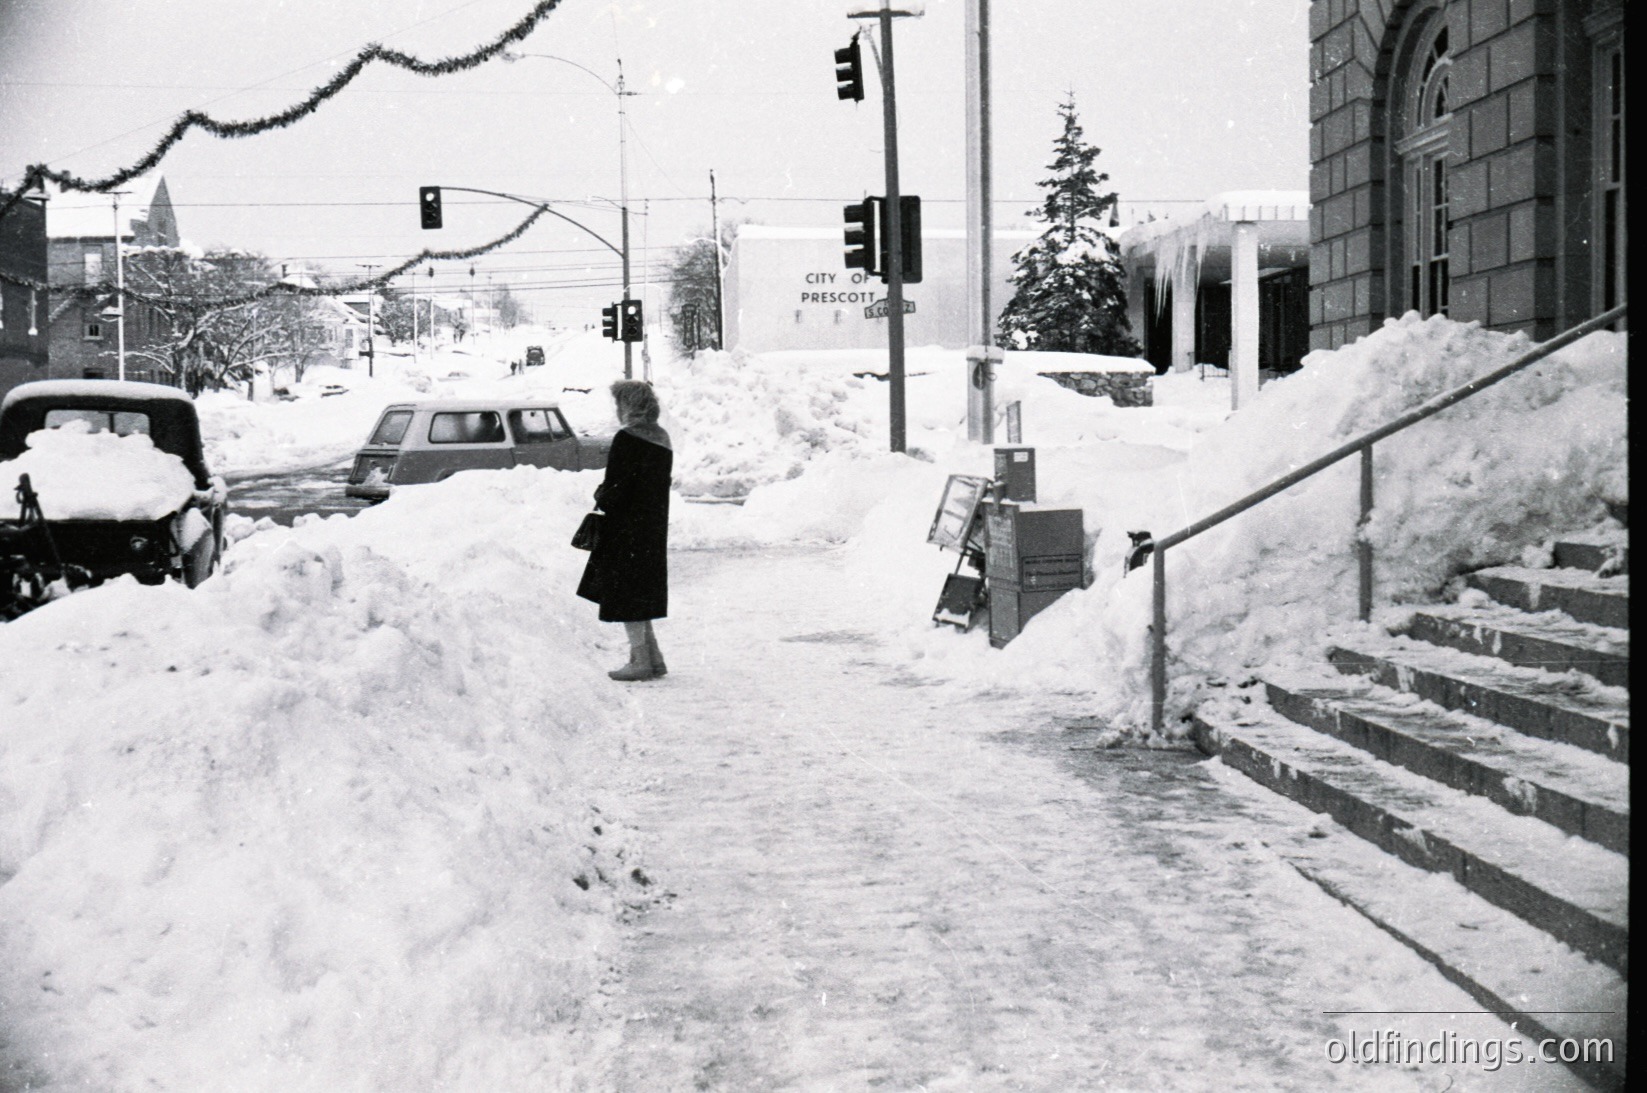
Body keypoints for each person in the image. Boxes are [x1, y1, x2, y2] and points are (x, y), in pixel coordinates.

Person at [577, 379, 673, 681]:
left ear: (628, 406)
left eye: (619, 403)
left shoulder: (627, 439)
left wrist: (601, 495)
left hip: (625, 528)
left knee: (628, 595)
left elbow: (616, 489)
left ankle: (641, 661)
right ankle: (653, 657)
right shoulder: (661, 438)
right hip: (652, 527)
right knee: (642, 592)